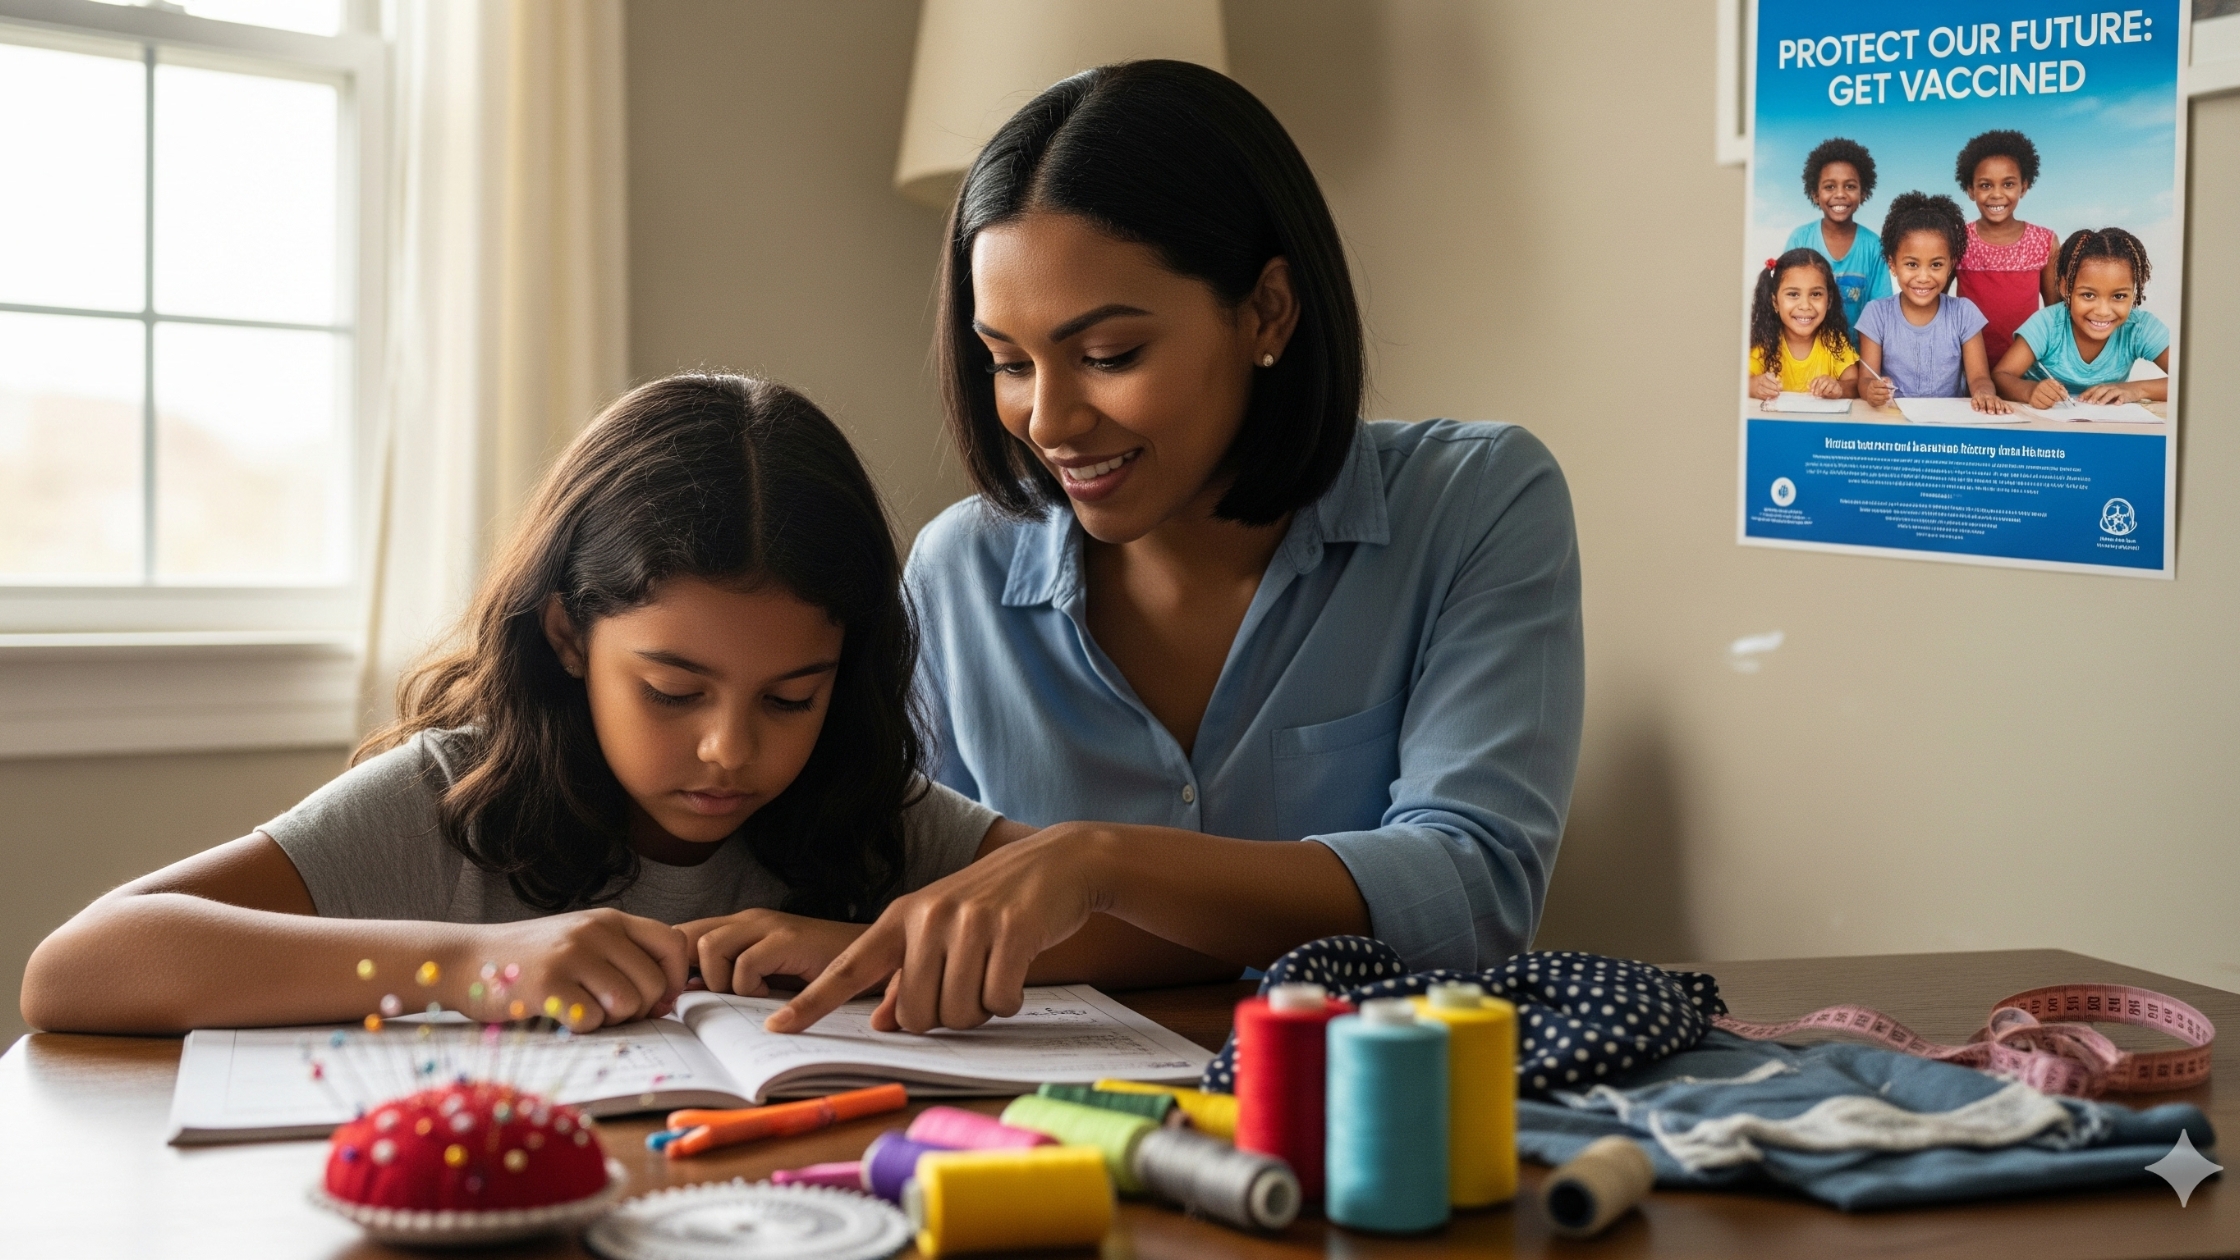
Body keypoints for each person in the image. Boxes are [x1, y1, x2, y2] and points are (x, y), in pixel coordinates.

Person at [765, 60, 1584, 1037]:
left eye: (1107, 356)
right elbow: (919, 893)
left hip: (1385, 1121)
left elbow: (1477, 892)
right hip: (1055, 1130)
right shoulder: (956, 576)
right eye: (1009, 363)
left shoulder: (1476, 503)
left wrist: (1099, 864)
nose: (1050, 420)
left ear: (1266, 313)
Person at [19, 374, 1019, 1034]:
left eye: (792, 698)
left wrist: (869, 944)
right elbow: (76, 969)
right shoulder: (450, 799)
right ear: (566, 635)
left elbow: (1151, 931)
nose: (728, 748)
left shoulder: (857, 805)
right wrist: (465, 964)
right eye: (673, 691)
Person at [1853, 192, 2008, 413]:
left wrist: (1984, 392)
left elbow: (1980, 378)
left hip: (1948, 427)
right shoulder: (1876, 314)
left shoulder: (1964, 313)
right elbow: (1866, 379)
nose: (1923, 277)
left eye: (1935, 265)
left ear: (1951, 265)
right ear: (1893, 264)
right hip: (1894, 423)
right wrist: (1871, 390)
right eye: (1912, 265)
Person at [1993, 228, 2170, 409]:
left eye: (2118, 296)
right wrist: (2030, 391)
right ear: (2065, 288)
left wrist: (2136, 390)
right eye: (2088, 295)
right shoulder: (2047, 324)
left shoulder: (2139, 327)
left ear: (2134, 291)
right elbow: (2001, 376)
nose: (2103, 311)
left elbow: (2193, 380)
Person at [1953, 129, 2060, 366]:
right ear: (1970, 190)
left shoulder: (2044, 241)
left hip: (2026, 368)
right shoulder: (1957, 239)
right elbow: (1937, 304)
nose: (1997, 194)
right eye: (1985, 185)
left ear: (2024, 186)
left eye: (2008, 184)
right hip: (1967, 367)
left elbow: (2057, 313)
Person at [1783, 137, 1892, 326]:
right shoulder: (1800, 238)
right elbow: (1786, 298)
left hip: (1857, 354)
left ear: (1863, 193)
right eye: (1829, 186)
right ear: (1815, 194)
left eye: (1850, 186)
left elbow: (1881, 312)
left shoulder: (1874, 246)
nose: (1840, 194)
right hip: (1807, 352)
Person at [1747, 248, 1860, 402]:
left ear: (1829, 300)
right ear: (1775, 302)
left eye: (1816, 294)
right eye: (1793, 294)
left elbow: (1855, 384)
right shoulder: (1764, 343)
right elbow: (1739, 382)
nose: (1805, 305)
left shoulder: (1834, 341)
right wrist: (1754, 386)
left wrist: (1839, 387)